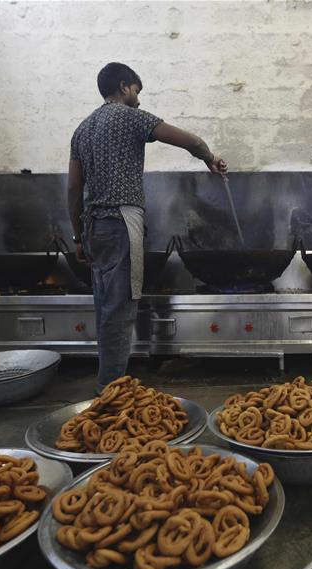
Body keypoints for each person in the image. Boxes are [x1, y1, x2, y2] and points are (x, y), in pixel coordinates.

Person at [67, 62, 227, 389]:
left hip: (94, 227)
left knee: (105, 307)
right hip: (122, 222)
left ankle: (110, 384)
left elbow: (73, 188)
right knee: (120, 310)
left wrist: (78, 236)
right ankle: (110, 392)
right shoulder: (131, 118)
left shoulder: (82, 129)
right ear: (124, 86)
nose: (138, 99)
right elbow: (191, 142)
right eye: (137, 91)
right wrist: (210, 158)